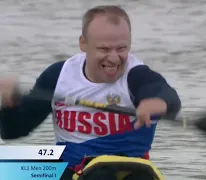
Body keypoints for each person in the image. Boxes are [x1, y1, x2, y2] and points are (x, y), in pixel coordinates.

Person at [0, 5, 181, 180]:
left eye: (121, 48)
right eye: (104, 49)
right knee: (4, 165)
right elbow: (13, 131)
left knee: (103, 174)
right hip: (68, 168)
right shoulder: (58, 75)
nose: (113, 58)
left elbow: (164, 93)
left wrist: (158, 103)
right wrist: (9, 104)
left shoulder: (137, 75)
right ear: (83, 44)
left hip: (124, 172)